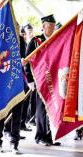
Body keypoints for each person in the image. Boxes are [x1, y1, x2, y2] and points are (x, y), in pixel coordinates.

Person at [26, 15, 60, 145]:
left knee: (51, 109)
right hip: (39, 80)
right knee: (41, 109)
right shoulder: (35, 41)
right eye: (49, 26)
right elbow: (28, 61)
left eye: (53, 26)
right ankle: (40, 136)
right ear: (43, 26)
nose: (51, 28)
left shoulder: (55, 40)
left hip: (53, 80)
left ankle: (48, 136)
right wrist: (30, 80)